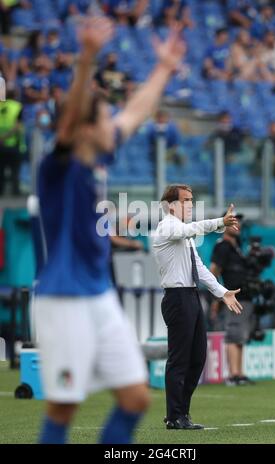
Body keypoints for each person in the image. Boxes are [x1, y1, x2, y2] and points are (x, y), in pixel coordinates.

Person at [34, 17, 186, 444]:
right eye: (105, 117)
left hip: (98, 294)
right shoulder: (58, 168)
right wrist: (86, 60)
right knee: (63, 407)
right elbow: (69, 120)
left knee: (136, 398)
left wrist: (163, 69)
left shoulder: (99, 156)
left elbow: (135, 113)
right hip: (64, 298)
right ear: (84, 128)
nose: (115, 124)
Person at [152, 185, 242, 430]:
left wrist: (222, 292)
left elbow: (200, 269)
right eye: (186, 200)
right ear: (172, 205)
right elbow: (191, 229)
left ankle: (181, 413)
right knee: (179, 360)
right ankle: (174, 416)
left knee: (197, 358)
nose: (191, 204)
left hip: (190, 297)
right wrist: (219, 223)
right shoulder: (168, 226)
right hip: (176, 298)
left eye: (192, 200)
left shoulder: (182, 235)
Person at [210, 212, 255, 386]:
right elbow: (214, 271)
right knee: (234, 334)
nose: (238, 225)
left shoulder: (237, 246)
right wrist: (218, 296)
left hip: (244, 297)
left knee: (241, 335)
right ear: (224, 225)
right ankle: (233, 375)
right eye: (233, 222)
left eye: (239, 222)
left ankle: (239, 372)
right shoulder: (222, 246)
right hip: (233, 297)